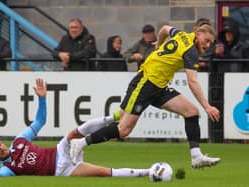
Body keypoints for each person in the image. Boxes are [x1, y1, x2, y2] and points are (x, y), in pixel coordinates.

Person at [69, 24, 221, 169]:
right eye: (206, 41)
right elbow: (192, 81)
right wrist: (207, 106)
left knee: (192, 112)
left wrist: (159, 43)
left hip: (159, 86)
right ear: (198, 34)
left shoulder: (181, 34)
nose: (208, 46)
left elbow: (165, 29)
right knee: (124, 129)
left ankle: (196, 156)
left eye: (210, 43)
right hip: (145, 83)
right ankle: (81, 143)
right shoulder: (191, 52)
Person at [0, 78, 150, 177]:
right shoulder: (8, 168)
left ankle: (114, 117)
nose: (1, 148)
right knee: (104, 172)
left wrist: (42, 99)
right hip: (62, 169)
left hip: (60, 150)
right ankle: (148, 172)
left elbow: (39, 121)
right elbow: (1, 175)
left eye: (0, 144)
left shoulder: (19, 141)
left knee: (75, 132)